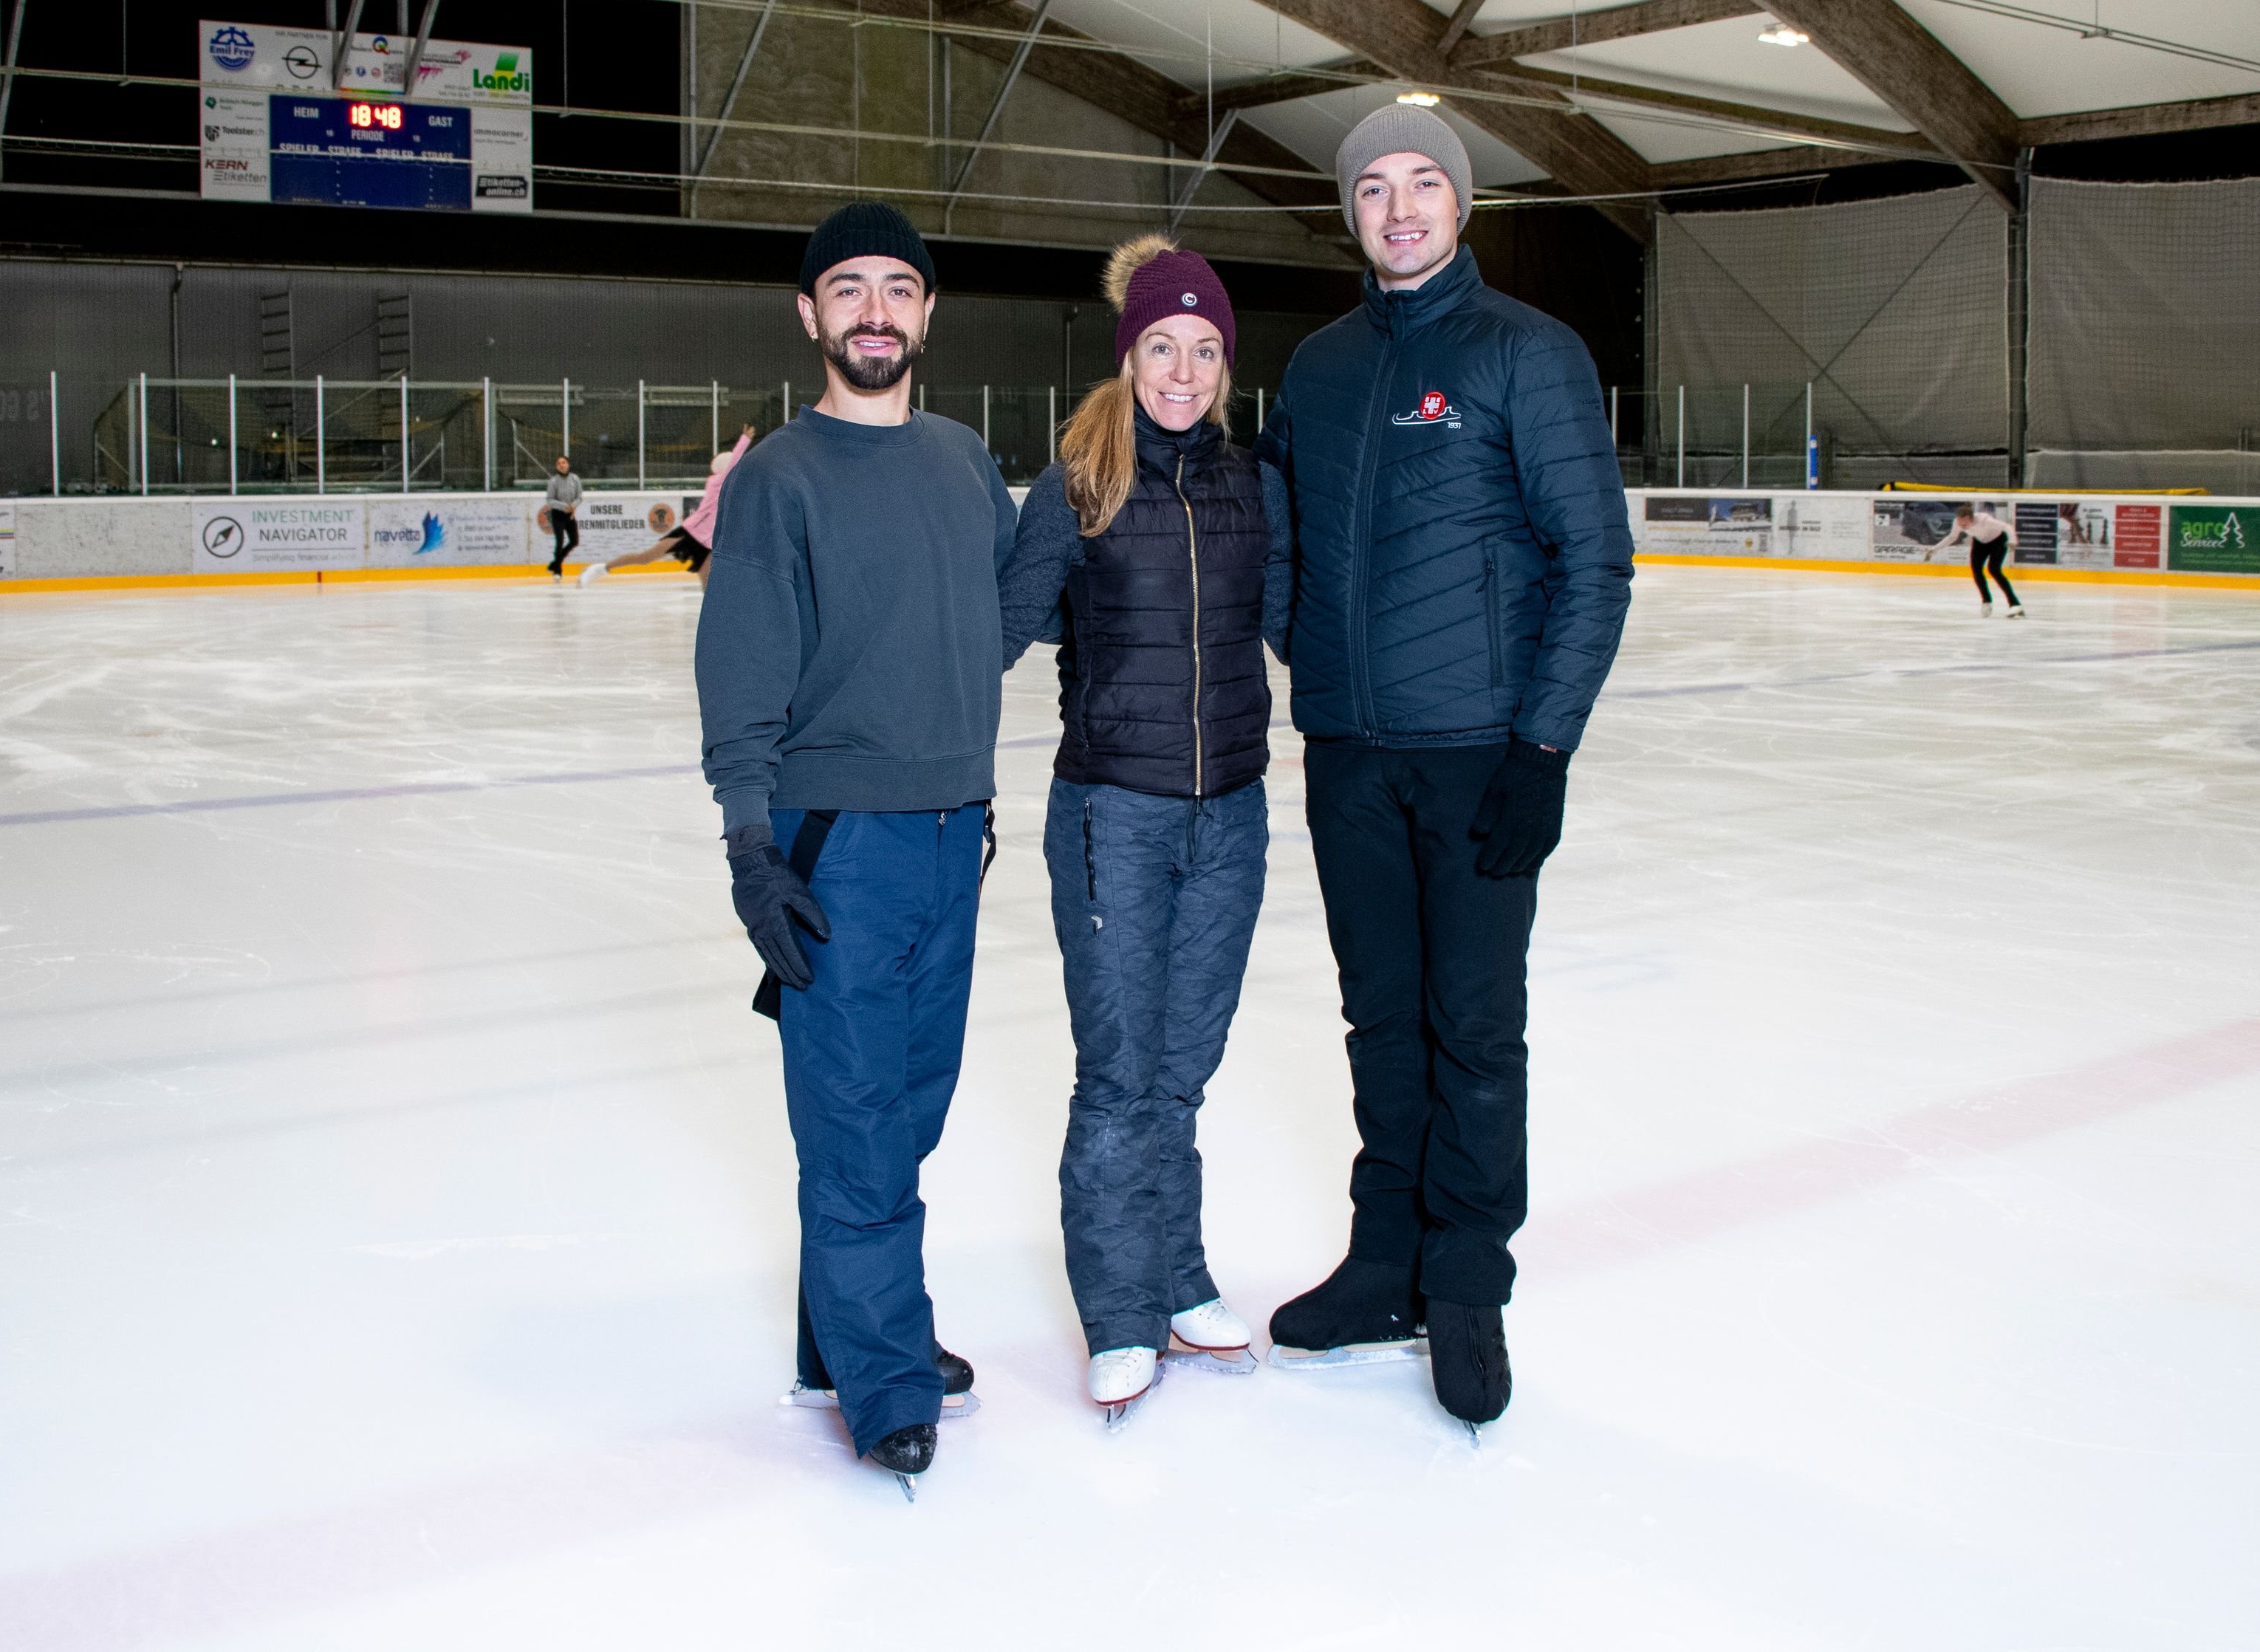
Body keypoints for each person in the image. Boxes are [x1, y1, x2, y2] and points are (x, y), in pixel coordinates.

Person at [1254, 103, 1633, 1431]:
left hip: (1480, 753)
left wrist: (1543, 747)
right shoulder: (1318, 365)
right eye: (1374, 188)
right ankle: (1384, 1262)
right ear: (1350, 212)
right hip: (1350, 748)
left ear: (1462, 204)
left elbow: (1596, 562)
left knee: (1473, 1027)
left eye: (1425, 183)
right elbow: (1285, 535)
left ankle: (1466, 1279)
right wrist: (1307, 657)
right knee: (1379, 1019)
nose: (1400, 207)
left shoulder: (1530, 355)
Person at [695, 202, 1017, 1496]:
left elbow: (993, 617)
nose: (874, 309)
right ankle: (879, 1381)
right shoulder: (781, 477)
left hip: (956, 834)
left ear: (927, 313)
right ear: (810, 315)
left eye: (898, 287)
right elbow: (740, 674)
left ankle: (846, 1332)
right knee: (856, 1122)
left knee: (914, 1102)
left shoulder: (960, 456)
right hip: (841, 849)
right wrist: (750, 847)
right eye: (848, 288)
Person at [994, 234, 1291, 1422]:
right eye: (1161, 345)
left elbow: (1303, 626)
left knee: (1183, 1069)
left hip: (1233, 818)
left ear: (1227, 361)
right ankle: (1119, 1313)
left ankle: (1178, 1277)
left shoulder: (1252, 484)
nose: (1182, 368)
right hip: (1112, 811)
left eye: (1204, 347)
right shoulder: (1078, 482)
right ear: (1129, 355)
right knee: (1118, 1075)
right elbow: (993, 630)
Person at [582, 427, 753, 586]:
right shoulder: (717, 483)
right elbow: (734, 465)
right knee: (646, 557)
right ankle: (601, 568)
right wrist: (744, 440)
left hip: (707, 542)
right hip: (690, 533)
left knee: (707, 582)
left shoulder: (732, 489)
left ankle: (713, 616)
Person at [1927, 501, 2024, 616]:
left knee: (1994, 570)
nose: (1961, 526)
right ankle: (1986, 601)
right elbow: (1952, 537)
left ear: (1969, 518)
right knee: (1976, 570)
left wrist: (2013, 541)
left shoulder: (1985, 520)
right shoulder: (1958, 522)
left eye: (1964, 524)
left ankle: (2015, 604)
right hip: (1980, 542)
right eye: (1959, 522)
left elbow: (2007, 526)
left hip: (1998, 541)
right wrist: (1934, 549)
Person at [540, 456, 584, 577]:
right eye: (559, 463)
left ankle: (555, 563)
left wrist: (573, 505)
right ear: (556, 466)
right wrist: (564, 506)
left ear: (568, 464)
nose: (561, 465)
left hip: (570, 514)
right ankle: (557, 570)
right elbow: (549, 500)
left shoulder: (575, 479)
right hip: (558, 514)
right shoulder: (553, 481)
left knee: (574, 541)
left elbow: (580, 496)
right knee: (559, 542)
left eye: (564, 462)